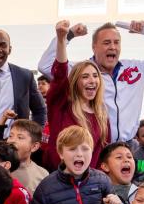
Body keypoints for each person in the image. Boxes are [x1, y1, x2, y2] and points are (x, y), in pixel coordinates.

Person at [38, 20, 144, 141]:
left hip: (127, 147)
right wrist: (67, 35)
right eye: (106, 43)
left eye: (116, 42)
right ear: (94, 47)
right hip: (93, 147)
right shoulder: (80, 71)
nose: (112, 47)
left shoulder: (136, 70)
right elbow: (46, 65)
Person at [44, 20, 110, 170]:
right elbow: (60, 72)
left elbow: (102, 154)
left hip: (88, 184)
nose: (92, 80)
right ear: (74, 82)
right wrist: (61, 39)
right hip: (58, 178)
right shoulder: (61, 105)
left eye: (95, 75)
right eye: (85, 76)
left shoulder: (102, 115)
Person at [4, 118, 48, 194]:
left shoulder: (43, 175)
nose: (12, 141)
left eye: (20, 137)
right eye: (10, 136)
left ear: (34, 146)